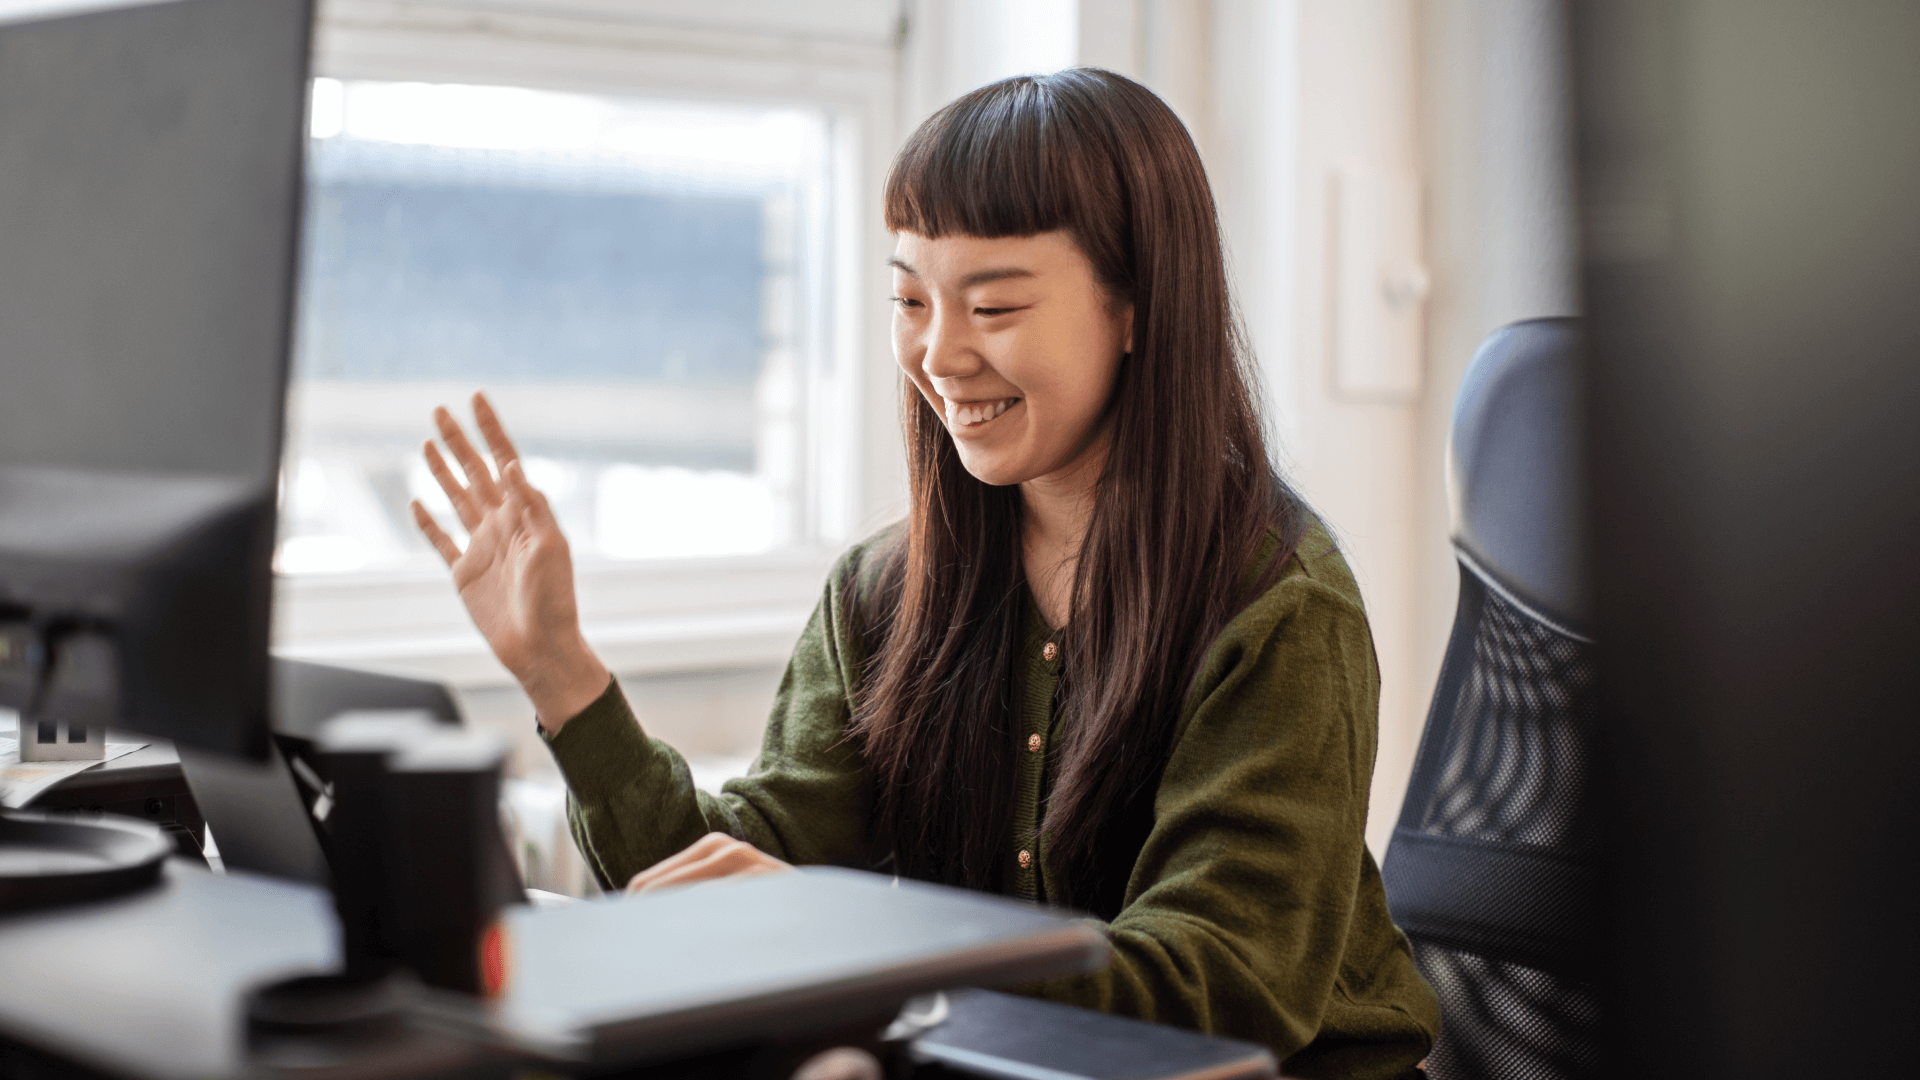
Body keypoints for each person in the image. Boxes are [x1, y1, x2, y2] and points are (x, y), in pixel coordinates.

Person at [413, 69, 1440, 1079]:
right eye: (910, 298)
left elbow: (1220, 984)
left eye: (993, 308)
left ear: (1136, 308)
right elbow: (726, 884)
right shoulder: (885, 592)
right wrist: (560, 672)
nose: (940, 354)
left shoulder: (1277, 605)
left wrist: (876, 948)